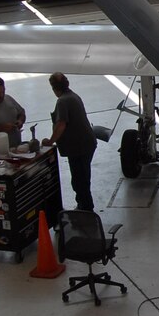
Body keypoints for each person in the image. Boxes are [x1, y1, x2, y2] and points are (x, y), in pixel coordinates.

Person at [42, 72, 97, 212]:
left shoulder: (63, 101)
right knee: (82, 178)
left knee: (80, 180)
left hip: (79, 146)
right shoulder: (73, 96)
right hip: (85, 144)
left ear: (54, 88)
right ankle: (83, 205)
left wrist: (50, 141)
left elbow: (61, 124)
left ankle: (86, 209)